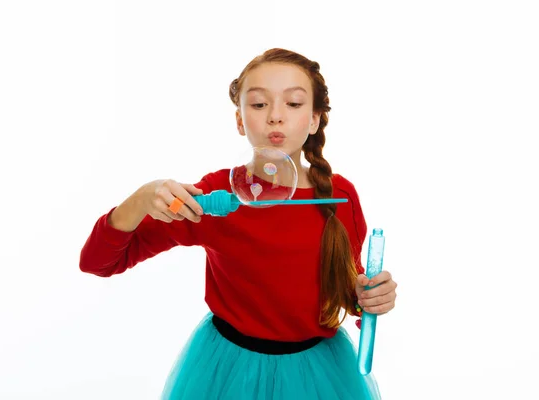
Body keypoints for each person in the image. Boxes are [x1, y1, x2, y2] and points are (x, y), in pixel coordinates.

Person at [79, 48, 398, 399]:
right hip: (227, 372)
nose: (276, 117)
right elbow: (98, 262)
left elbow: (345, 286)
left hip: (317, 373)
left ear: (314, 119)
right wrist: (143, 196)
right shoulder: (216, 197)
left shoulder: (340, 196)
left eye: (293, 104)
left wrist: (367, 297)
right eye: (259, 104)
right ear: (240, 120)